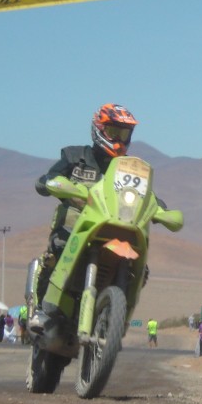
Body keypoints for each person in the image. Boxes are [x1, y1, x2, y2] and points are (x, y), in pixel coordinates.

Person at [28, 103, 139, 333]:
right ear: (99, 129)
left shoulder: (129, 169)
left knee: (139, 267)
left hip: (112, 228)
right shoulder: (74, 156)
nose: (119, 139)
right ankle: (42, 309)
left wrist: (159, 207)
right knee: (56, 251)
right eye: (113, 132)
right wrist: (50, 182)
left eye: (124, 134)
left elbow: (143, 194)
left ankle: (118, 319)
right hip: (75, 227)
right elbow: (50, 177)